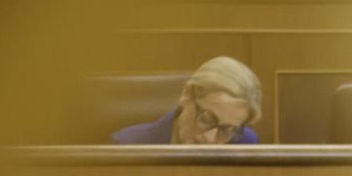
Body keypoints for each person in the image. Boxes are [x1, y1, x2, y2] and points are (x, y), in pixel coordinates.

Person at [111, 56, 262, 145]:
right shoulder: (127, 145)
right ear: (187, 94)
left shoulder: (244, 143)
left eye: (227, 130)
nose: (210, 139)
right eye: (207, 118)